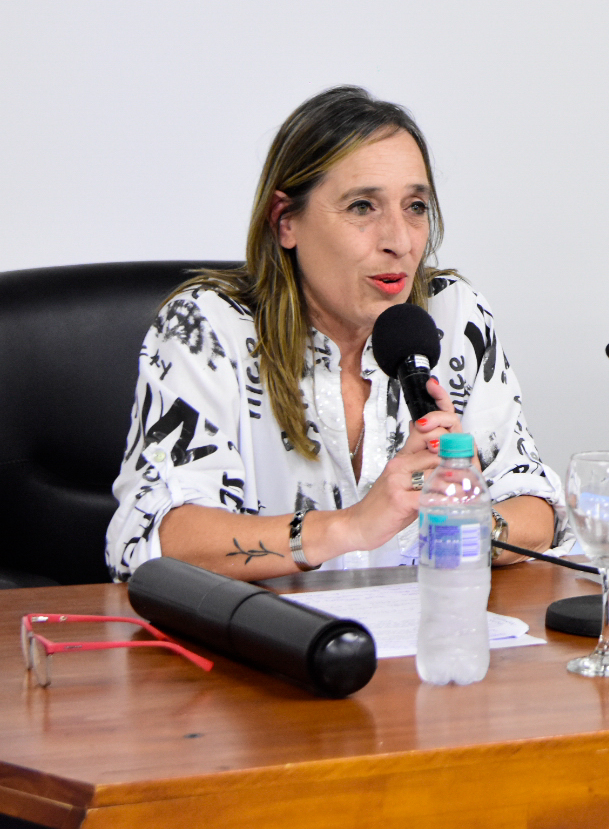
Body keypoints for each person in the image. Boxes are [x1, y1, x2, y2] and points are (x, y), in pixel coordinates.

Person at [106, 87, 563, 581]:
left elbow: (538, 509)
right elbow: (155, 541)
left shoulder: (452, 314)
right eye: (362, 207)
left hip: (421, 623)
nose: (400, 241)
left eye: (415, 207)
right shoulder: (207, 327)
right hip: (266, 627)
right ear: (285, 221)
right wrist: (351, 526)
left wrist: (469, 520)